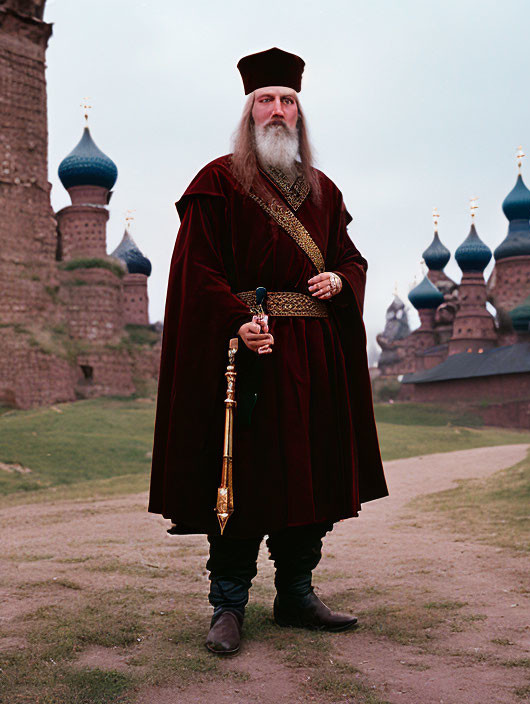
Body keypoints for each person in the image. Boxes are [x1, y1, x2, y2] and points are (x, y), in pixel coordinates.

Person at [148, 47, 388, 655]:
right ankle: (228, 605)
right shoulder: (217, 184)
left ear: (299, 115)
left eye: (288, 102)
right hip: (252, 355)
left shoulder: (325, 193)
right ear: (249, 113)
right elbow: (197, 273)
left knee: (310, 474)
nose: (277, 111)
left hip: (315, 356)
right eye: (266, 101)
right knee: (243, 477)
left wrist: (340, 281)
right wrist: (238, 321)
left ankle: (296, 593)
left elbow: (351, 258)